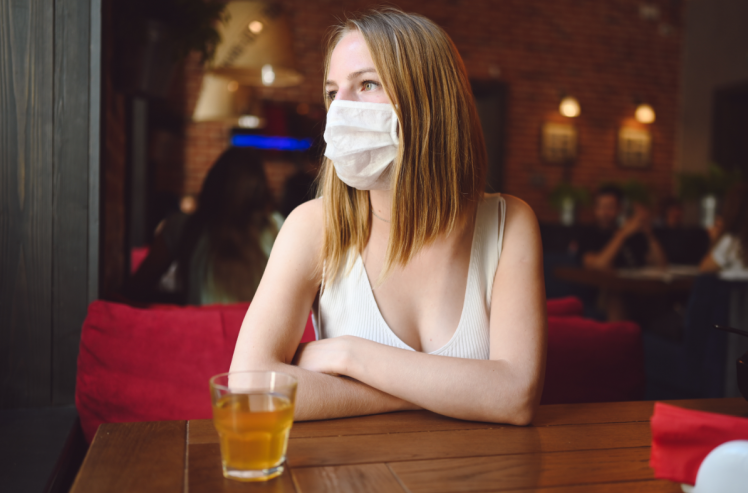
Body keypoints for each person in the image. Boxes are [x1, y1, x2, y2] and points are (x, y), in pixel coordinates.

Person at [230, 9, 546, 426]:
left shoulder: (512, 223)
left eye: (366, 84)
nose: (340, 110)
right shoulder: (312, 226)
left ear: (429, 100)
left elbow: (515, 396)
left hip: (478, 485)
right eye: (332, 92)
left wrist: (350, 355)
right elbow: (250, 387)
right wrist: (448, 393)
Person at [126, 148, 284, 304]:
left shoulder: (181, 226)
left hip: (200, 328)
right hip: (257, 328)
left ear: (212, 183)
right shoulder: (277, 226)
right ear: (259, 189)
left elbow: (134, 291)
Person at [578, 184, 667, 270]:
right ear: (595, 209)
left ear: (619, 208)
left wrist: (649, 234)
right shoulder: (588, 233)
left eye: (610, 207)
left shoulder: (632, 234)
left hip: (637, 284)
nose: (604, 212)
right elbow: (599, 266)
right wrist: (623, 234)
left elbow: (661, 265)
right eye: (600, 207)